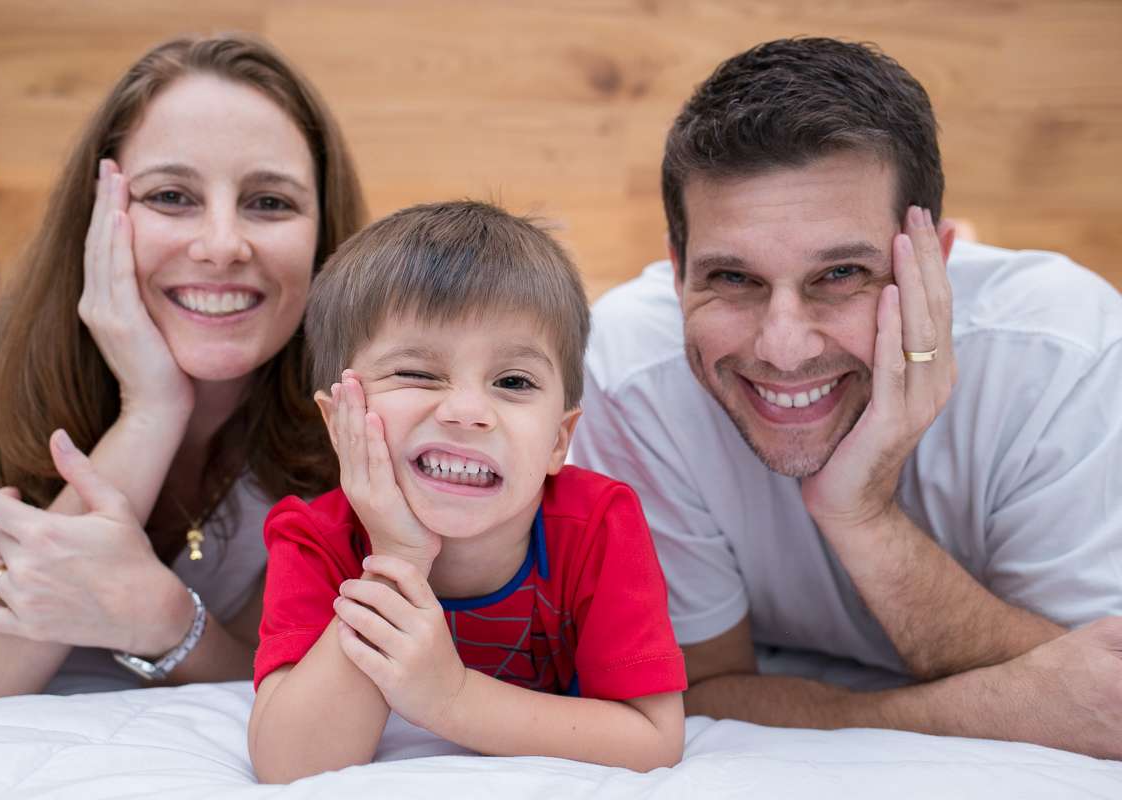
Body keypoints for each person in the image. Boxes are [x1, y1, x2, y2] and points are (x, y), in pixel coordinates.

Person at [573, 38, 1122, 759]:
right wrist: (963, 714)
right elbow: (698, 686)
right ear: (678, 275)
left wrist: (860, 513)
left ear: (934, 266)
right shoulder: (628, 371)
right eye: (733, 280)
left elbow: (1096, 695)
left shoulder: (1061, 354)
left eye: (840, 274)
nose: (783, 346)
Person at [0, 32, 366, 705]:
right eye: (171, 197)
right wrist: (151, 409)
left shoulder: (352, 424)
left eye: (270, 202)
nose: (222, 245)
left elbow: (289, 681)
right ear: (96, 219)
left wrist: (165, 620)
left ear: (324, 240)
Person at [247, 201, 686, 782]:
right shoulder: (315, 541)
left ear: (559, 440)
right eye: (418, 373)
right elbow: (291, 765)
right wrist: (397, 557)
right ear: (339, 422)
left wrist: (452, 700)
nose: (467, 411)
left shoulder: (598, 526)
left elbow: (653, 739)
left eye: (513, 381)